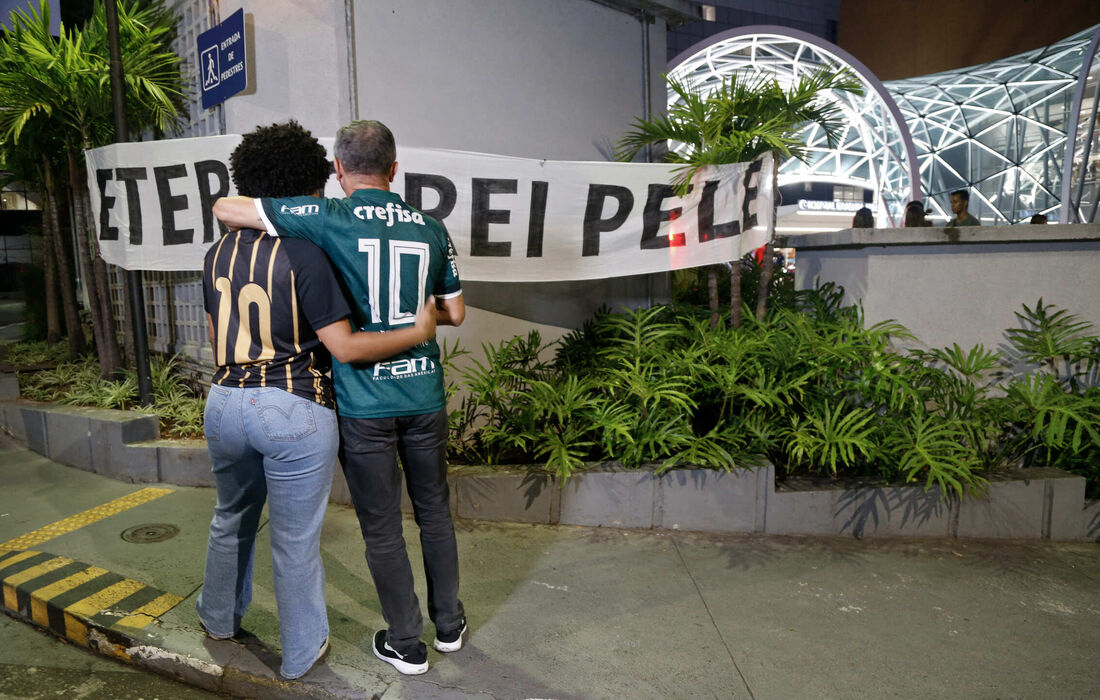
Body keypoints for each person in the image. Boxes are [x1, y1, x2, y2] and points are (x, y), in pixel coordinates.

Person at [212, 120, 467, 676]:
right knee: (434, 512)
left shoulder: (327, 217)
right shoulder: (431, 225)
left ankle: (407, 642)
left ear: (338, 170)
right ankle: (449, 625)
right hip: (424, 395)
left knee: (381, 526)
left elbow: (228, 210)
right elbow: (456, 312)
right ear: (395, 168)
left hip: (363, 403)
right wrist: (420, 315)